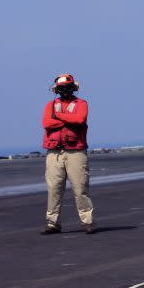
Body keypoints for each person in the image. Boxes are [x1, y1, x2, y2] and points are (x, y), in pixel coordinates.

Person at [41, 74, 95, 235]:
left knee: (80, 189)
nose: (65, 90)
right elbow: (46, 123)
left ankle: (87, 222)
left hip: (76, 153)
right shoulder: (50, 105)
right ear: (57, 89)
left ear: (73, 87)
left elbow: (80, 119)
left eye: (68, 87)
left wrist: (57, 116)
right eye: (62, 87)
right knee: (54, 189)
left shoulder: (81, 103)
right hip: (54, 153)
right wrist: (68, 119)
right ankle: (52, 223)